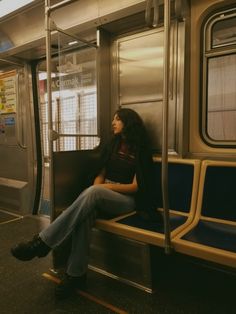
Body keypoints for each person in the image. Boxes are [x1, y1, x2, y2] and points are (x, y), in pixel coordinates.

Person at [11, 108, 161, 299]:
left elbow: (135, 187)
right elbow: (100, 174)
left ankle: (42, 242)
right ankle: (76, 275)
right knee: (85, 216)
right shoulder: (112, 145)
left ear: (128, 122)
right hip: (102, 193)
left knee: (94, 192)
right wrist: (100, 187)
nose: (113, 123)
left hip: (126, 201)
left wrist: (104, 189)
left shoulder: (141, 150)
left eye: (117, 119)